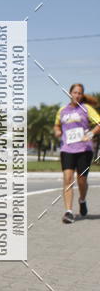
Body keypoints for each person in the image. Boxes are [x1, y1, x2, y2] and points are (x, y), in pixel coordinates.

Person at [54, 83, 100, 223]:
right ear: (70, 94)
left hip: (84, 150)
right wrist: (57, 130)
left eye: (80, 93)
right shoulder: (62, 110)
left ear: (82, 95)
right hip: (67, 149)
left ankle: (82, 199)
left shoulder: (86, 109)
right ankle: (68, 211)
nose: (77, 95)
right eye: (75, 92)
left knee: (82, 180)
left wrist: (91, 134)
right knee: (67, 178)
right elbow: (57, 124)